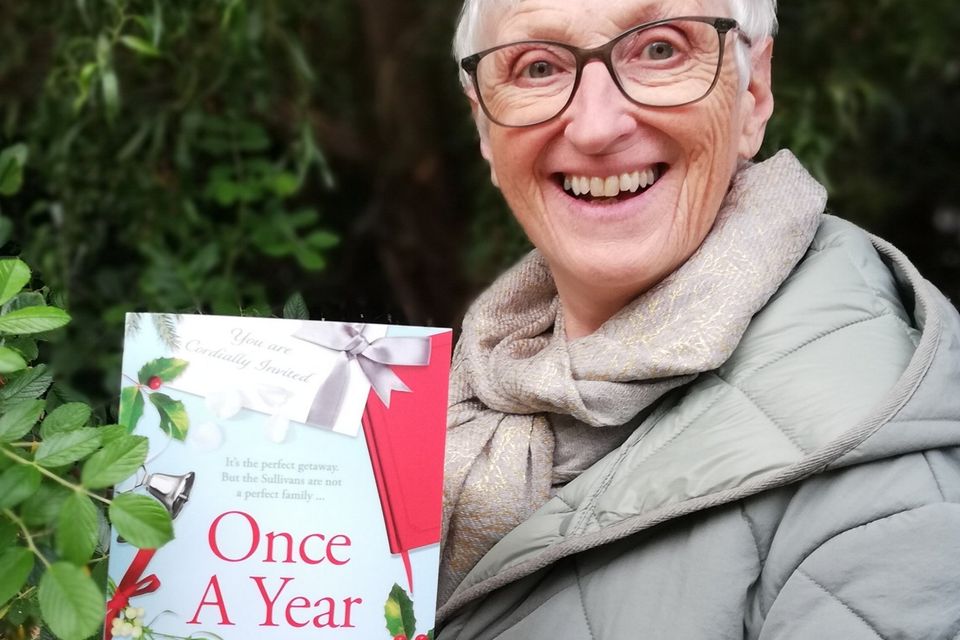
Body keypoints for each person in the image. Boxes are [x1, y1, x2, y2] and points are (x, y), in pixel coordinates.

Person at [435, 0, 960, 638]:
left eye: (660, 50)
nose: (596, 126)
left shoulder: (890, 497)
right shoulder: (441, 404)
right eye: (537, 66)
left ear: (754, 93)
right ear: (485, 130)